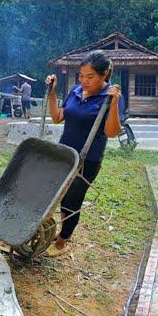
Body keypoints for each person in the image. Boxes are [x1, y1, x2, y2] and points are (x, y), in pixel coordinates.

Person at [44, 50, 125, 257]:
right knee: (59, 195)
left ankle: (62, 242)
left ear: (104, 74)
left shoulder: (110, 98)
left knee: (72, 200)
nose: (84, 81)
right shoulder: (75, 91)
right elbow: (57, 117)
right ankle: (60, 233)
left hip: (87, 159)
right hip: (66, 153)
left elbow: (111, 132)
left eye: (90, 77)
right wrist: (52, 92)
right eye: (81, 75)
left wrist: (114, 103)